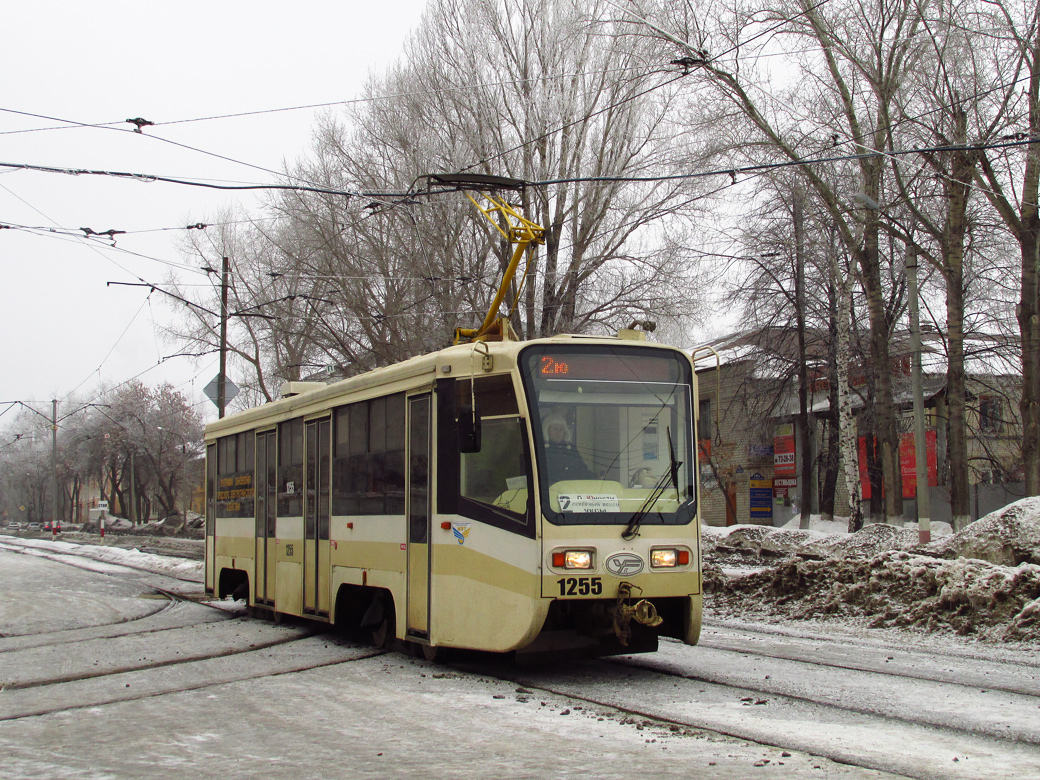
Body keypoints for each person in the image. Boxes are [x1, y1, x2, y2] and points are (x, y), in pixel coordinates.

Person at [543, 415, 592, 481]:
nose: (558, 432)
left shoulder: (571, 448)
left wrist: (595, 476)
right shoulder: (542, 449)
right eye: (555, 429)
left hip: (571, 487)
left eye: (561, 429)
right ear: (547, 430)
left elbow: (582, 469)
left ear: (564, 431)